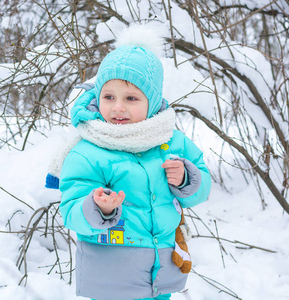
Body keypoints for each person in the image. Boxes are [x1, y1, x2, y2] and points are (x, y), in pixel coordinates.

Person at [58, 30, 211, 300]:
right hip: (111, 279)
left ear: (151, 102)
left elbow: (203, 188)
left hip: (161, 272)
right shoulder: (89, 150)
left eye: (131, 98)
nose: (118, 107)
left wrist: (187, 179)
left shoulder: (170, 141)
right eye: (109, 97)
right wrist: (98, 208)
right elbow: (71, 210)